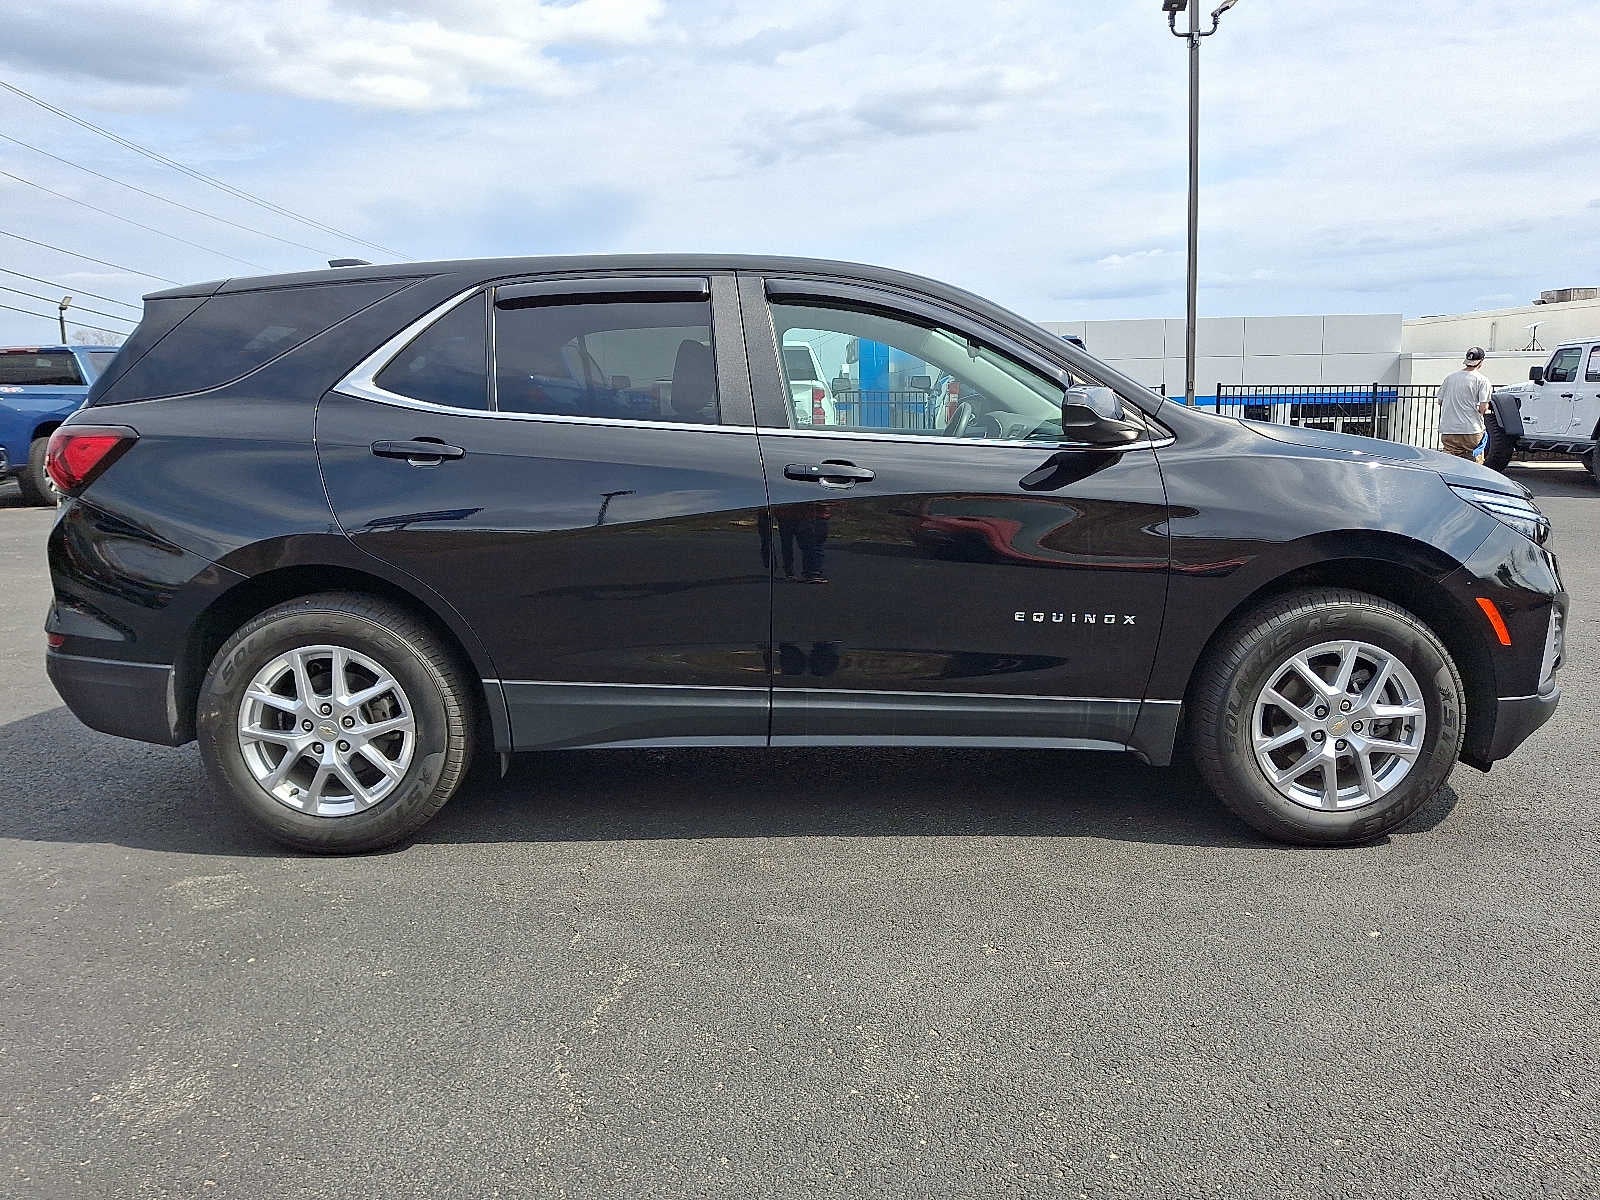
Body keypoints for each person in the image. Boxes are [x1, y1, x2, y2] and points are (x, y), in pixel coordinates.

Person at [1439, 347, 1492, 461]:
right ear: (1481, 361)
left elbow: (1440, 401)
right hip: (1471, 429)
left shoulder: (1450, 378)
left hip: (1449, 428)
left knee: (1449, 461)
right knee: (1473, 463)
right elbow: (1483, 408)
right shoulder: (1482, 380)